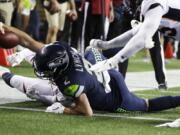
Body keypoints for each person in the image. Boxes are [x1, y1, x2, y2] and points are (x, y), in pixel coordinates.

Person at [1, 22, 180, 116]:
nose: (43, 72)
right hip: (105, 73)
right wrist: (4, 27)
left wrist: (64, 110)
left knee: (146, 106)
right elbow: (28, 41)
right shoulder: (63, 51)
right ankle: (134, 46)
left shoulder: (71, 83)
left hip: (116, 97)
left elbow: (87, 112)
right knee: (91, 49)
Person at [89, 0, 180, 73]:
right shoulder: (146, 8)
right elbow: (134, 33)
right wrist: (107, 44)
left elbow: (139, 40)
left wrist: (112, 61)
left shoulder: (154, 5)